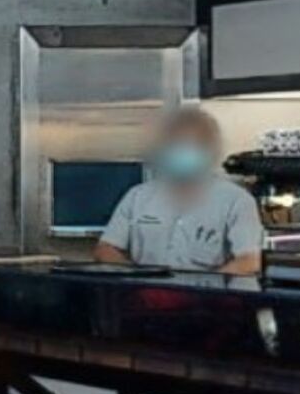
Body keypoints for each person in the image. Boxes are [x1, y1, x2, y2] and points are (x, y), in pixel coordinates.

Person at [92, 106, 266, 275]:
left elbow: (248, 262)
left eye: (193, 144)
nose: (183, 150)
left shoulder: (237, 201)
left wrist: (208, 288)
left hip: (206, 294)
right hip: (146, 292)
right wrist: (134, 278)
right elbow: (106, 249)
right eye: (177, 144)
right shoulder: (137, 197)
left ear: (210, 150)